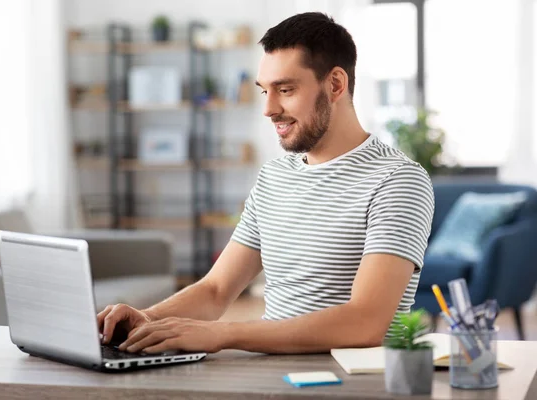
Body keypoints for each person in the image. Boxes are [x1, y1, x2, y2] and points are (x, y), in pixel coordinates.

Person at [97, 12, 434, 355]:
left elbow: (365, 323)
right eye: (265, 91)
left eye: (285, 90)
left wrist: (225, 335)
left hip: (352, 378)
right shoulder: (274, 176)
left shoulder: (398, 181)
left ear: (335, 84)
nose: (269, 109)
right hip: (271, 373)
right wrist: (146, 318)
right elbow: (216, 290)